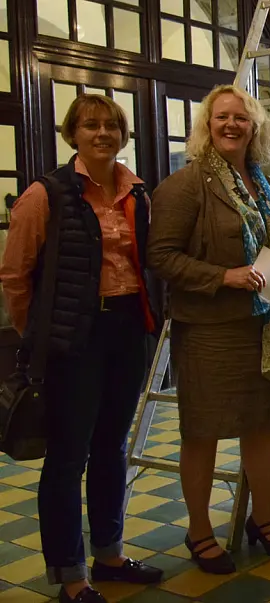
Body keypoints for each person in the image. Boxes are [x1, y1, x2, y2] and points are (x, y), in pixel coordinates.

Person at [0, 95, 163, 603]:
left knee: (112, 448)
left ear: (123, 134)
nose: (102, 133)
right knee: (68, 458)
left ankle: (110, 555)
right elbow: (15, 275)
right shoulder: (45, 194)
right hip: (73, 340)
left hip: (127, 331)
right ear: (72, 133)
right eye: (90, 125)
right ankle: (71, 575)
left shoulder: (137, 191)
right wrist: (40, 336)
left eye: (111, 125)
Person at [148, 85, 270, 571]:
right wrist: (223, 277)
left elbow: (269, 248)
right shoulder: (186, 184)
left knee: (261, 426)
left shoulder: (260, 181)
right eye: (222, 117)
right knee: (203, 433)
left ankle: (263, 518)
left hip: (263, 326)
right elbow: (161, 256)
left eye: (241, 117)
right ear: (207, 126)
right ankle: (199, 531)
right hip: (209, 332)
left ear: (254, 127)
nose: (231, 125)